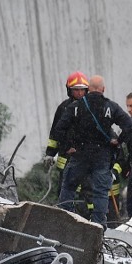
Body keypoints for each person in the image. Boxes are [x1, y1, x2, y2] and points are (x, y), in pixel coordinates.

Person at [51, 75, 132, 226]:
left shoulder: (76, 107)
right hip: (102, 156)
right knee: (101, 192)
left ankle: (66, 219)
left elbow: (59, 129)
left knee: (69, 185)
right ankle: (98, 226)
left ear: (88, 89)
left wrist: (68, 146)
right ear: (103, 89)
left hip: (80, 155)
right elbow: (129, 125)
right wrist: (118, 141)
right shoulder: (111, 107)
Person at [43, 71, 95, 216]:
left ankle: (90, 223)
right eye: (75, 90)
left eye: (82, 90)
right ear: (69, 90)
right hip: (65, 161)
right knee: (65, 195)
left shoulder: (94, 108)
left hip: (86, 161)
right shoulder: (63, 108)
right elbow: (55, 134)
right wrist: (49, 154)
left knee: (87, 195)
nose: (79, 93)